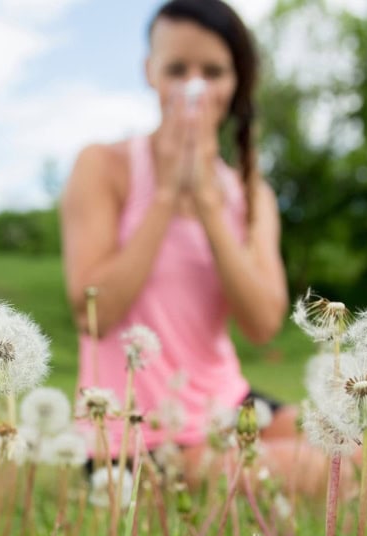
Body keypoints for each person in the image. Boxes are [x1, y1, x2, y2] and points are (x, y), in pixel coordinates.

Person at [61, 0, 324, 492]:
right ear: (150, 73)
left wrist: (207, 202)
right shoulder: (103, 166)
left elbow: (264, 323)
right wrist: (165, 197)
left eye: (213, 71)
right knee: (329, 474)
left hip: (230, 405)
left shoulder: (251, 194)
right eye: (177, 69)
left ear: (236, 83)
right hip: (137, 436)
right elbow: (91, 310)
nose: (194, 87)